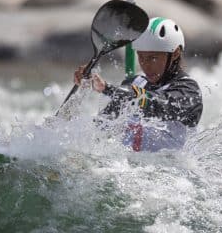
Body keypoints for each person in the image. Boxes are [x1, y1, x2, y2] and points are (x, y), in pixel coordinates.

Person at [74, 17, 203, 152]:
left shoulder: (190, 92)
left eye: (153, 58)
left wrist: (107, 88)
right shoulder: (135, 83)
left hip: (171, 171)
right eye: (141, 57)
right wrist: (88, 80)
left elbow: (156, 103)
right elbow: (101, 126)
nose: (146, 65)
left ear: (175, 53)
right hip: (125, 167)